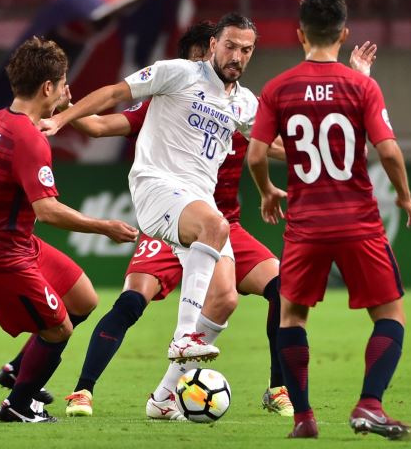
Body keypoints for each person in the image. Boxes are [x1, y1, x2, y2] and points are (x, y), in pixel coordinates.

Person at [49, 21, 292, 420]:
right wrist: (61, 118)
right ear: (213, 45)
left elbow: (269, 145)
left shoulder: (246, 103)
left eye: (246, 50)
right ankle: (179, 341)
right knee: (200, 240)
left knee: (225, 299)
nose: (237, 56)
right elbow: (113, 95)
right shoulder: (177, 74)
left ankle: (163, 398)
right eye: (230, 46)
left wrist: (321, 156)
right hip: (157, 188)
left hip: (201, 207)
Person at [247, 0, 411, 440]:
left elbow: (254, 154)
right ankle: (369, 403)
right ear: (345, 33)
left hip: (306, 224)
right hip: (358, 221)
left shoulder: (277, 88)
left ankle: (304, 418)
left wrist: (267, 190)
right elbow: (388, 150)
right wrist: (403, 196)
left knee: (293, 317)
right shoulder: (363, 86)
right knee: (391, 314)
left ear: (299, 32)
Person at [0, 36, 138, 423]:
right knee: (59, 330)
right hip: (3, 259)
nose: (68, 91)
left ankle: (19, 369)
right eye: (64, 83)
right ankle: (17, 404)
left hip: (16, 243)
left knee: (83, 298)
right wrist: (105, 228)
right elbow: (47, 210)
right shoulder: (29, 139)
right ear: (48, 87)